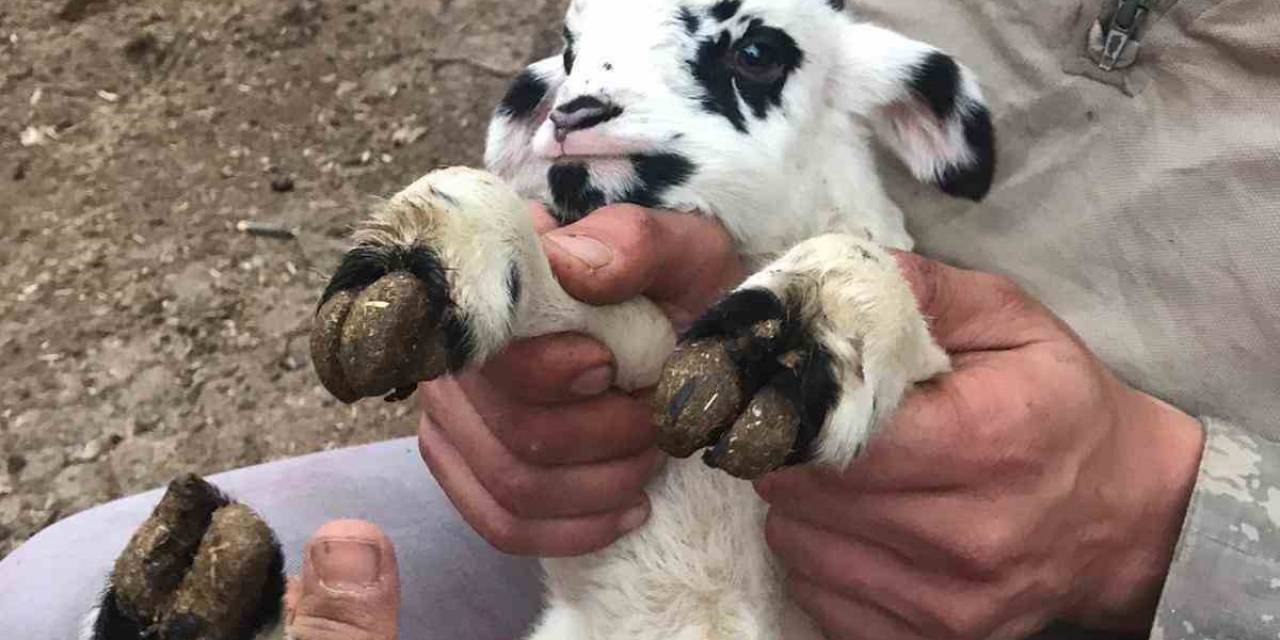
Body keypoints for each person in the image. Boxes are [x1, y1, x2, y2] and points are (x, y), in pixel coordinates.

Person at [2, 0, 1276, 638]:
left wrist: (1174, 524)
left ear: (916, 114)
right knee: (47, 599)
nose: (578, 105)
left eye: (748, 56)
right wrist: (495, 304)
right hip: (643, 490)